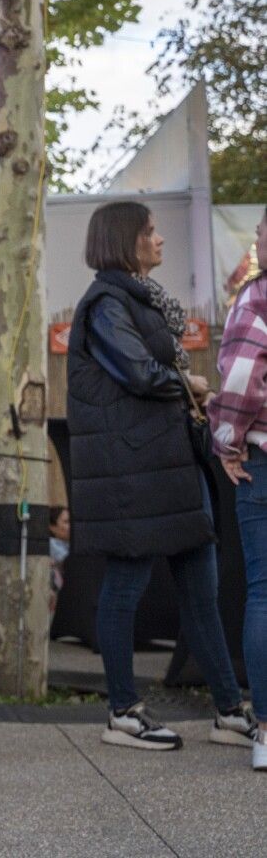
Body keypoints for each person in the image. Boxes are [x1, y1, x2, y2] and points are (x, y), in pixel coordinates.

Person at [65, 201, 254, 751]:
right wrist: (189, 384)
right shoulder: (105, 304)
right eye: (150, 231)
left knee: (201, 590)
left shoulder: (136, 298)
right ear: (125, 239)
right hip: (135, 474)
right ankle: (122, 713)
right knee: (125, 585)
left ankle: (228, 711)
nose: (160, 238)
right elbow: (139, 373)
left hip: (168, 467)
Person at [210, 205, 267, 770]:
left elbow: (241, 382)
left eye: (262, 233)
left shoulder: (256, 299)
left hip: (261, 460)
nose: (256, 241)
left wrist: (227, 441)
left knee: (264, 592)